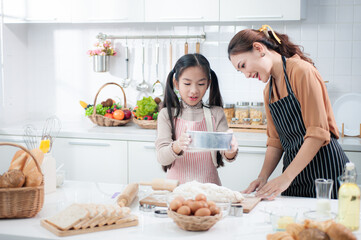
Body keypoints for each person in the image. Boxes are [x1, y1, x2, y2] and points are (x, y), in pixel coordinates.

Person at [228, 25, 348, 199]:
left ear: (258, 48)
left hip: (326, 172)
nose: (246, 75)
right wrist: (263, 177)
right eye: (241, 71)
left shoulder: (301, 71)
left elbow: (318, 134)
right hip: (295, 177)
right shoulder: (268, 91)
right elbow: (275, 142)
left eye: (243, 65)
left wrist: (286, 177)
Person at [155, 53, 238, 185]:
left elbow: (226, 154)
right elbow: (162, 158)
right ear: (176, 83)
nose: (194, 90)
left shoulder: (216, 113)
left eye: (201, 84)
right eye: (187, 83)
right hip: (176, 190)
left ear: (208, 84)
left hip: (210, 190)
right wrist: (177, 145)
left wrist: (230, 149)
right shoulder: (166, 115)